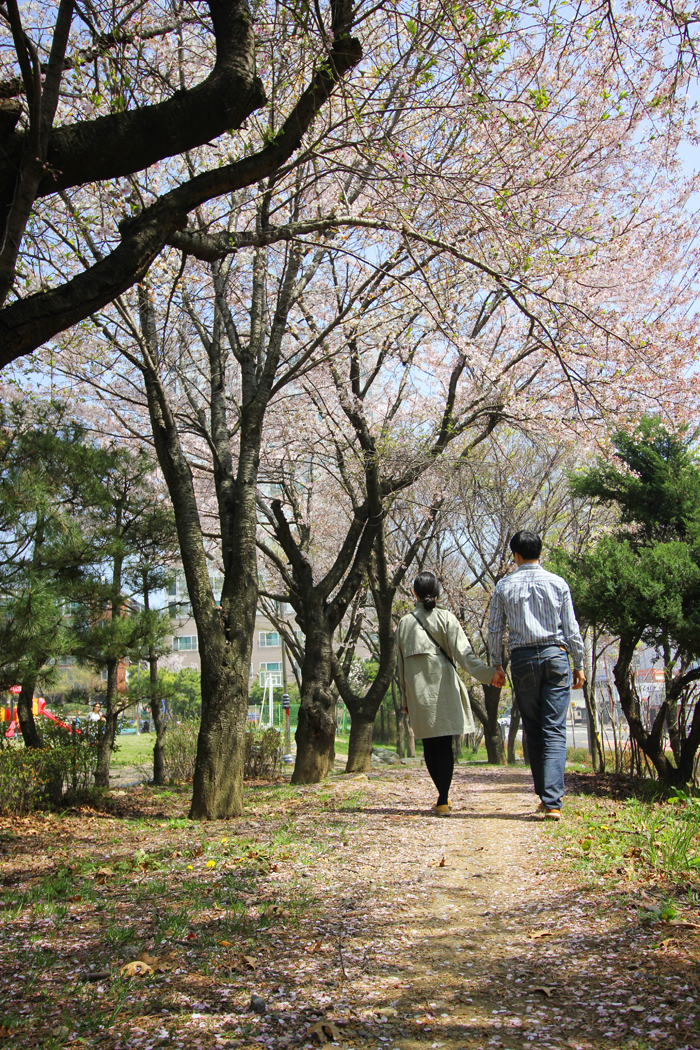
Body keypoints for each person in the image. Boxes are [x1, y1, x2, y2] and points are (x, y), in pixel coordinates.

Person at [487, 530, 585, 821]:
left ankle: (546, 796)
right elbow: (572, 627)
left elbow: (495, 630)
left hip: (523, 660)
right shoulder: (558, 583)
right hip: (556, 656)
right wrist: (578, 662)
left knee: (533, 728)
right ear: (539, 552)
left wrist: (497, 664)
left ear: (515, 555)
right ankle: (553, 801)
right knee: (554, 728)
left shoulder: (504, 586)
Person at [397, 571, 505, 816]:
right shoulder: (447, 618)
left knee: (429, 745)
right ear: (437, 593)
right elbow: (465, 657)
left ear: (414, 593)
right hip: (444, 689)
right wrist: (491, 675)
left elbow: (401, 667)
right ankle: (443, 798)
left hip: (418, 693)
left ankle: (442, 798)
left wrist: (405, 699)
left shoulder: (404, 623)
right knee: (444, 744)